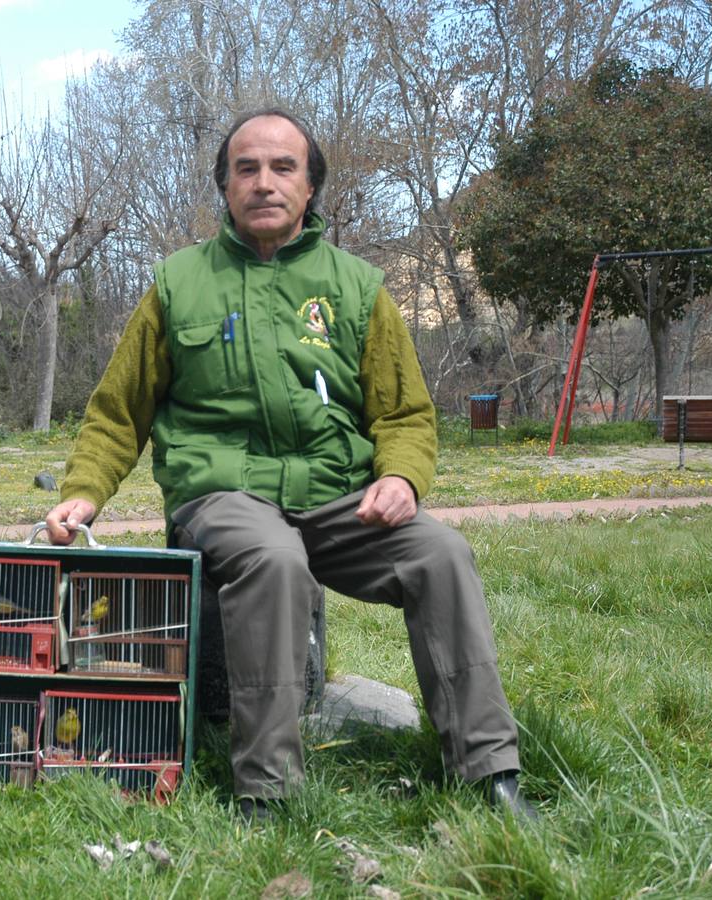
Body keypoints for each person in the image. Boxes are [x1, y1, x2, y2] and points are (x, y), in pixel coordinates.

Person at [44, 109, 535, 823]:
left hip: (338, 500)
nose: (264, 183)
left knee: (441, 553)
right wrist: (84, 493)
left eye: (282, 168)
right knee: (275, 560)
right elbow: (118, 411)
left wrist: (399, 479)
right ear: (224, 186)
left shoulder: (356, 287)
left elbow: (402, 414)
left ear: (310, 188)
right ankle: (266, 789)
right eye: (246, 168)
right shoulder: (178, 283)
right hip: (223, 497)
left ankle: (489, 773)